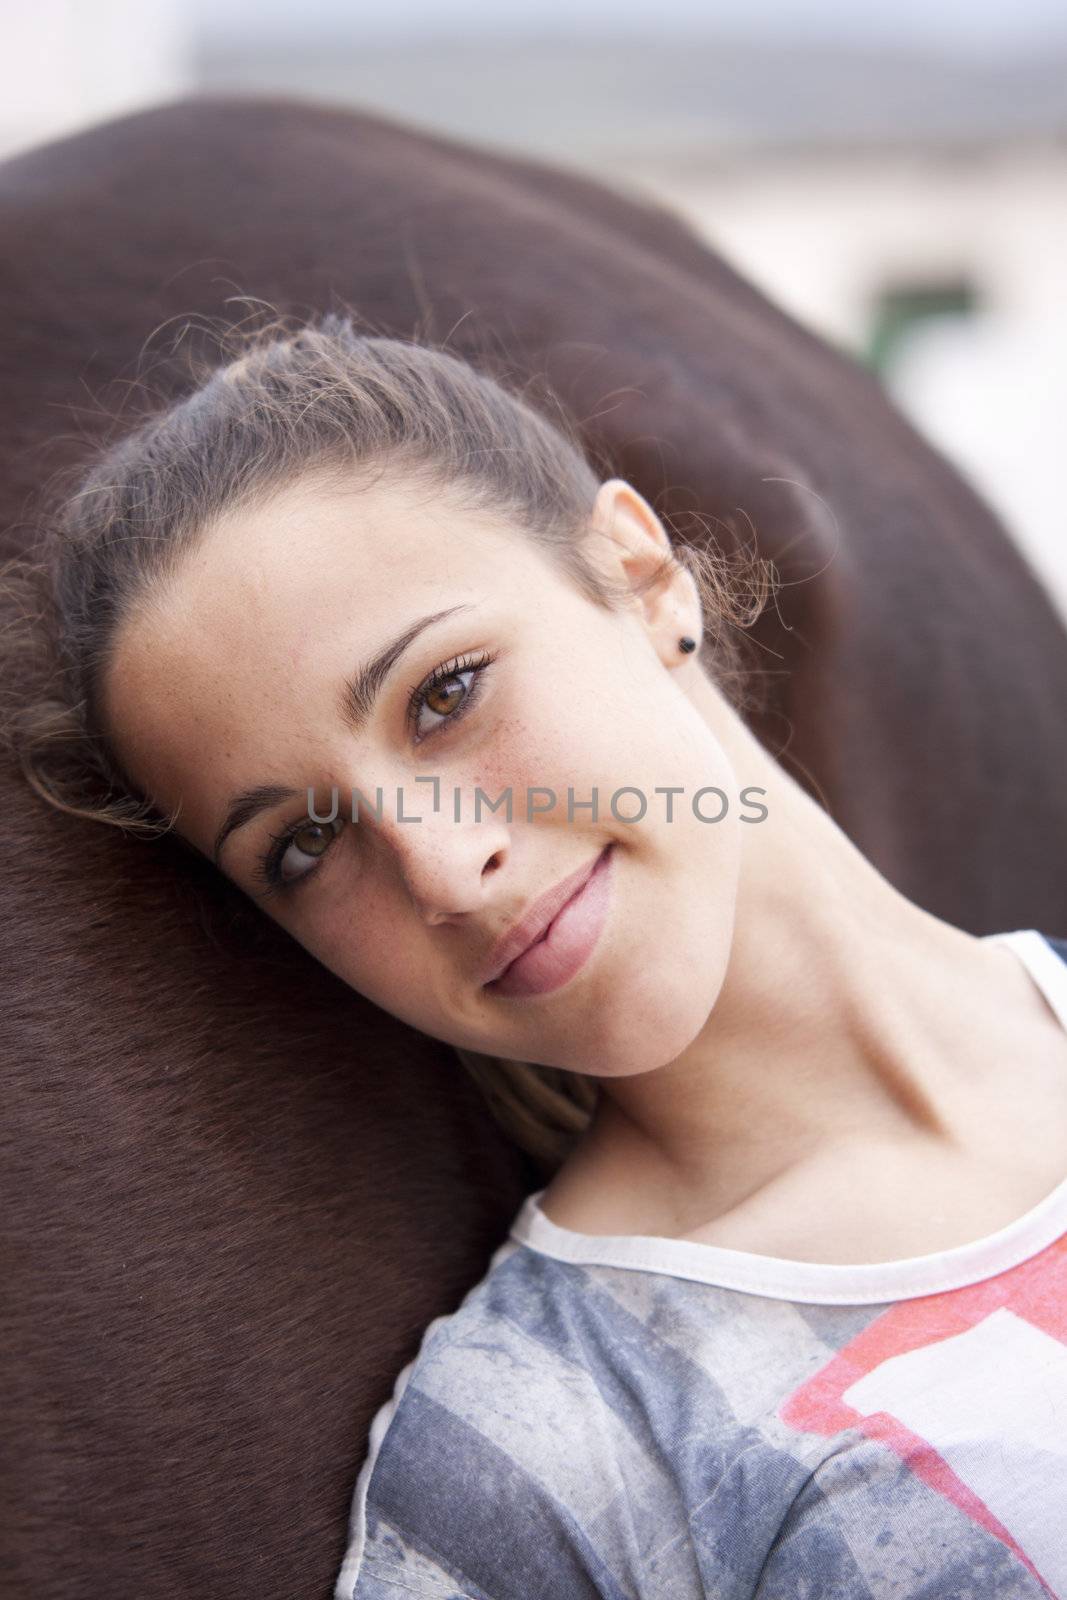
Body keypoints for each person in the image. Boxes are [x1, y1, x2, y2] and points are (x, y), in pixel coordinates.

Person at [10, 312, 1067, 1599]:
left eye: (443, 694)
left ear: (638, 572)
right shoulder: (539, 1459)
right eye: (303, 845)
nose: (445, 872)